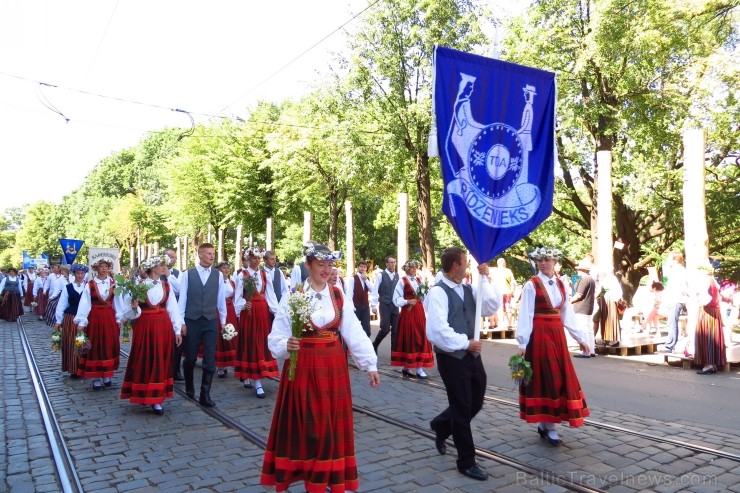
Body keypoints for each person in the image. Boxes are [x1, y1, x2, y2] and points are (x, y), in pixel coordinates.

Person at [260, 241, 379, 493]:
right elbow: (276, 337)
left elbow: (353, 330)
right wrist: (286, 343)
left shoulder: (338, 294)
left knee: (330, 426)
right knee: (308, 426)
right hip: (303, 366)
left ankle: (327, 477)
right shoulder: (294, 296)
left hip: (333, 366)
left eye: (329, 264)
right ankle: (306, 474)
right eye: (320, 264)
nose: (326, 269)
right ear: (308, 265)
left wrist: (369, 363)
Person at [425, 247, 501, 481]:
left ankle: (441, 424)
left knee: (475, 401)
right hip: (451, 357)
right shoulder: (437, 292)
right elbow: (436, 332)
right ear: (455, 265)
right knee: (461, 406)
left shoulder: (468, 287)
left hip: (471, 356)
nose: (468, 266)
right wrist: (464, 343)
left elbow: (490, 306)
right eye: (466, 262)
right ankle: (466, 461)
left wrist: (485, 277)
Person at [517, 247, 590, 447]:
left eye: (547, 259)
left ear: (555, 261)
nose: (543, 263)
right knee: (545, 377)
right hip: (539, 335)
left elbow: (567, 313)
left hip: (557, 335)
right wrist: (522, 342)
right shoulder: (531, 285)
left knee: (556, 377)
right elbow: (526, 314)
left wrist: (580, 338)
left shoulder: (560, 283)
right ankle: (549, 427)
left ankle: (545, 423)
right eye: (540, 260)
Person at [119, 255, 183, 415]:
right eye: (162, 265)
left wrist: (177, 329)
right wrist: (134, 307)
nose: (164, 268)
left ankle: (157, 397)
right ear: (153, 267)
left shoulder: (166, 286)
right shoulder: (137, 286)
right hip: (145, 326)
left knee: (160, 359)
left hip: (163, 327)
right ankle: (143, 393)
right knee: (145, 357)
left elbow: (173, 308)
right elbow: (128, 312)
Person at [178, 243, 227, 407]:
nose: (212, 256)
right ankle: (189, 386)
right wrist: (181, 322)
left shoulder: (218, 275)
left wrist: (224, 322)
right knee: (190, 357)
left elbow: (221, 300)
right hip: (192, 321)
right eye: (208, 253)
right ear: (200, 255)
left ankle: (205, 394)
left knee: (209, 359)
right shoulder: (188, 275)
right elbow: (182, 299)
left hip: (210, 321)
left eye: (213, 253)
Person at [234, 247, 279, 398]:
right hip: (249, 313)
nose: (257, 261)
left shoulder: (265, 274)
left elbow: (270, 295)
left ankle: (256, 375)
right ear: (248, 259)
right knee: (251, 343)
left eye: (259, 258)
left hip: (262, 312)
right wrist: (242, 305)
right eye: (254, 258)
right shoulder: (243, 275)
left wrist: (278, 314)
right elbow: (238, 296)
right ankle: (256, 380)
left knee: (262, 342)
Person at [75, 259, 123, 390]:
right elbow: (85, 303)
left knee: (108, 345)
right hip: (95, 317)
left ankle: (107, 375)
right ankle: (95, 377)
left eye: (106, 266)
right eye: (101, 266)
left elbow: (117, 302)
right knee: (96, 345)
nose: (103, 269)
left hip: (109, 317)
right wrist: (82, 320)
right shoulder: (89, 285)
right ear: (96, 269)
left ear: (109, 268)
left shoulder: (114, 284)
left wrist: (119, 318)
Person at [392, 259, 434, 378]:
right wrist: (407, 301)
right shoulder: (402, 281)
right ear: (407, 269)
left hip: (419, 312)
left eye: (415, 267)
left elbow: (425, 297)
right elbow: (396, 298)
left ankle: (417, 367)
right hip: (408, 313)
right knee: (411, 337)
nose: (414, 269)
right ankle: (410, 366)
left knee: (420, 337)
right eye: (412, 267)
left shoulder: (419, 280)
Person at [54, 265, 88, 378]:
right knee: (71, 342)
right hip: (71, 317)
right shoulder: (68, 287)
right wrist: (59, 320)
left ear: (84, 274)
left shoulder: (88, 286)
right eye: (78, 273)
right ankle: (73, 368)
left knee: (83, 342)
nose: (80, 275)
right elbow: (62, 303)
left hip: (85, 318)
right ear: (74, 274)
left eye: (82, 273)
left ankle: (84, 367)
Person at [694, 266, 726, 375]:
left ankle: (709, 364)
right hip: (714, 310)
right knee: (712, 337)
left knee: (706, 336)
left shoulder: (704, 281)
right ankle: (713, 363)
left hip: (707, 311)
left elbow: (704, 299)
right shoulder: (713, 281)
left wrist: (697, 298)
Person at [371, 255, 400, 353]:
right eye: (391, 262)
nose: (393, 264)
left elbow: (400, 291)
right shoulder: (381, 275)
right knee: (385, 329)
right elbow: (375, 290)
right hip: (384, 304)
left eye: (394, 262)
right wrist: (373, 305)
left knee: (396, 330)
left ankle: (394, 352)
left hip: (395, 305)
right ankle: (375, 344)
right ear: (386, 264)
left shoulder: (397, 275)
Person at [661, 250, 689, 353]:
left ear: (675, 259)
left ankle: (669, 346)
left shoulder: (679, 270)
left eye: (669, 258)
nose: (667, 260)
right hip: (674, 299)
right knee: (671, 322)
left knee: (672, 323)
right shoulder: (676, 270)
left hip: (676, 299)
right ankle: (670, 345)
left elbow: (681, 286)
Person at [215, 261, 238, 378]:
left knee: (231, 334)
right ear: (219, 270)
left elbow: (235, 298)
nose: (227, 270)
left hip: (231, 310)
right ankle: (220, 365)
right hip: (219, 310)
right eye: (224, 268)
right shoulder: (215, 282)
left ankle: (230, 361)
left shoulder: (232, 282)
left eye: (228, 268)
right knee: (221, 336)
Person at [570, 260, 596, 357]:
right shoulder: (591, 279)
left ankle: (586, 351)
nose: (578, 271)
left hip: (581, 307)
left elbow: (579, 295)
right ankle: (591, 350)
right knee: (589, 329)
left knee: (583, 329)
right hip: (588, 307)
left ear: (582, 270)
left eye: (579, 269)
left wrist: (569, 302)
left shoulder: (584, 279)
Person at [344, 260, 373, 337]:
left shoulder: (367, 279)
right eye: (361, 266)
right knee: (354, 328)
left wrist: (366, 280)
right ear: (357, 268)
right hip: (356, 306)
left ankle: (367, 347)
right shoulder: (352, 279)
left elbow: (372, 290)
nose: (363, 268)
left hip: (365, 306)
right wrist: (351, 307)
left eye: (364, 267)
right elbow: (349, 294)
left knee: (366, 328)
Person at [595, 272, 623, 347]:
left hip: (610, 299)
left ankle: (613, 339)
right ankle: (607, 339)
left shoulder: (609, 278)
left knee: (610, 319)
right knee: (605, 320)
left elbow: (602, 290)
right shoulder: (609, 278)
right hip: (607, 299)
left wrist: (595, 297)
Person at [263, 250, 288, 326]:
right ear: (265, 260)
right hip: (265, 306)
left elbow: (284, 289)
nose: (274, 261)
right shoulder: (261, 272)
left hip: (278, 303)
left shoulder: (278, 272)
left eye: (275, 259)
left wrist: (282, 303)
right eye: (271, 259)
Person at [490, 258, 516, 329]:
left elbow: (491, 281)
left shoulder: (495, 271)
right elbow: (512, 282)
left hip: (498, 291)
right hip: (507, 291)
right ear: (504, 263)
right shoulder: (508, 271)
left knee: (499, 308)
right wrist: (513, 291)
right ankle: (509, 324)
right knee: (508, 307)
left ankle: (500, 324)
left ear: (498, 264)